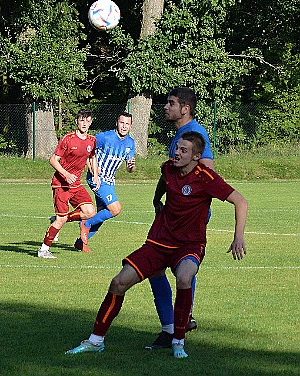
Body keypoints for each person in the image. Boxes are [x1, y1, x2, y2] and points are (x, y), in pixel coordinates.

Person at [65, 131, 248, 358]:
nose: (177, 153)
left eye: (183, 150)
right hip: (158, 243)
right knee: (118, 283)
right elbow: (164, 181)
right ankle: (95, 341)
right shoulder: (168, 168)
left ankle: (178, 340)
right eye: (177, 148)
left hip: (189, 245)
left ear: (196, 156)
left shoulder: (206, 177)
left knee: (184, 277)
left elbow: (240, 201)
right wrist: (155, 200)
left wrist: (238, 236)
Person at [145, 87, 214, 350]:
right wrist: (157, 197)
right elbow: (171, 174)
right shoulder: (180, 134)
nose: (166, 107)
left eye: (171, 103)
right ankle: (182, 320)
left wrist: (185, 203)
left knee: (160, 266)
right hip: (174, 215)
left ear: (185, 108)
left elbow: (207, 171)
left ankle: (173, 326)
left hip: (187, 217)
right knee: (176, 267)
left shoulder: (195, 134)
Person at [38, 109, 100, 259]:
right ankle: (43, 250)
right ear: (77, 122)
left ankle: (60, 219)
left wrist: (96, 175)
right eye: (82, 120)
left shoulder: (92, 140)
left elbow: (92, 157)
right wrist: (66, 174)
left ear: (91, 122)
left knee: (90, 211)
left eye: (87, 120)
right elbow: (53, 160)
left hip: (76, 184)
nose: (84, 123)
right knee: (61, 218)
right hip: (61, 184)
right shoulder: (68, 139)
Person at [75, 112, 136, 252]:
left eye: (127, 124)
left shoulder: (130, 143)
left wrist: (131, 167)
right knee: (116, 209)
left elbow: (130, 168)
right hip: (97, 179)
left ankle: (80, 242)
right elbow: (87, 150)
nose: (124, 126)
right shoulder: (104, 137)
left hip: (109, 181)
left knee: (102, 215)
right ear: (117, 123)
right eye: (122, 123)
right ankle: (86, 223)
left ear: (130, 126)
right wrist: (92, 169)